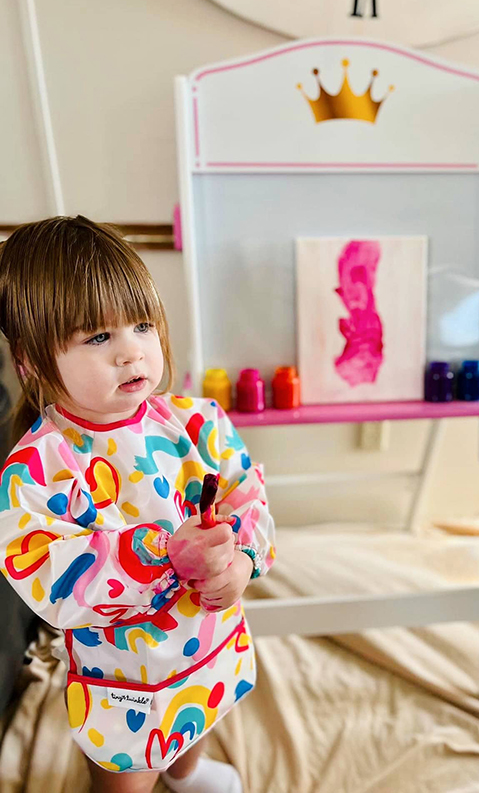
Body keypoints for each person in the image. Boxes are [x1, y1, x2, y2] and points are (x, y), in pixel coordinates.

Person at [0, 216, 275, 793]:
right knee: (130, 775)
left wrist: (243, 559)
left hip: (207, 641)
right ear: (30, 358)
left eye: (142, 326)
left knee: (197, 720)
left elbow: (247, 492)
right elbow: (49, 572)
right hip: (127, 678)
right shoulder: (39, 469)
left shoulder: (195, 421)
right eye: (98, 337)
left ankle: (190, 773)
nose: (131, 354)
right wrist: (164, 554)